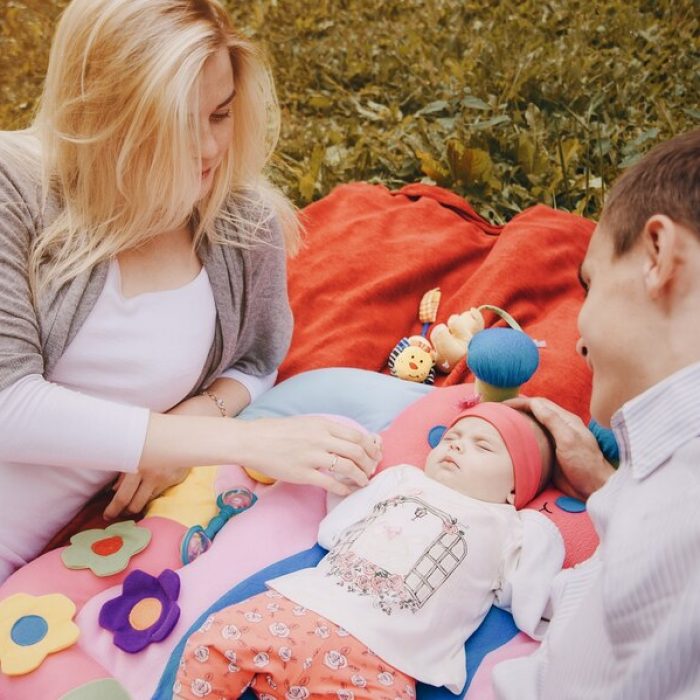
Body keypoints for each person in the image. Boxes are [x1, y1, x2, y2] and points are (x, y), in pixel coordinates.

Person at [0, 0, 380, 585]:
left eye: (221, 114)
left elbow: (257, 360)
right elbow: (8, 405)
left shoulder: (238, 223)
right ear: (103, 114)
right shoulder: (13, 186)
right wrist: (224, 439)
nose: (208, 148)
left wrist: (197, 417)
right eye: (179, 123)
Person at [493, 129, 700, 698]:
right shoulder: (661, 485)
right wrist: (608, 486)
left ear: (657, 255)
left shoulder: (679, 534)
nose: (579, 341)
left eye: (591, 285)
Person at [173, 401, 564, 699]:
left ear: (516, 488)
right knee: (214, 641)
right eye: (451, 438)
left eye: (482, 446)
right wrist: (347, 476)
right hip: (300, 610)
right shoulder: (402, 479)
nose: (457, 448)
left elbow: (532, 599)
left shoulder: (513, 528)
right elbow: (337, 529)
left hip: (382, 662)